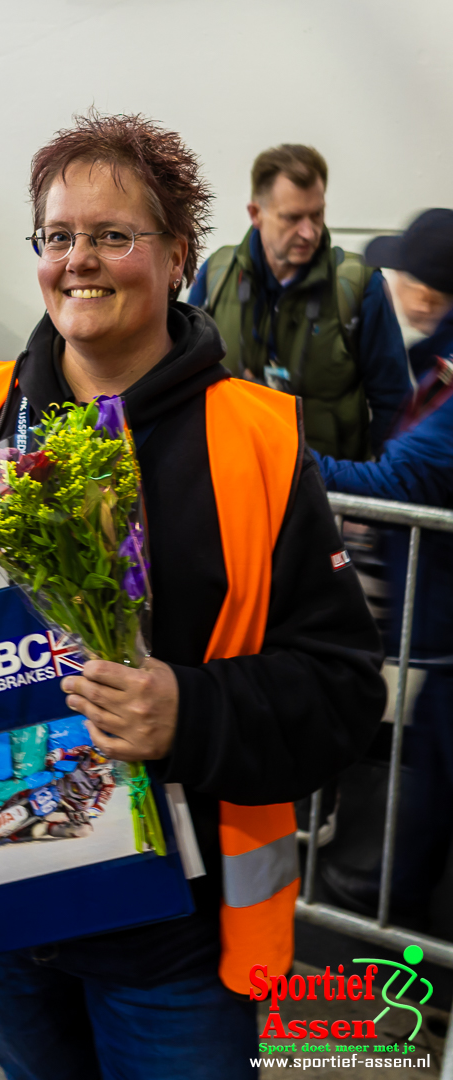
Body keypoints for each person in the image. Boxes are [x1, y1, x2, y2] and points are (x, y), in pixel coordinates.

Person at [0, 112, 385, 1079]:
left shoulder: (256, 444)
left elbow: (342, 690)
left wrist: (186, 710)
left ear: (178, 256)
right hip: (2, 899)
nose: (81, 260)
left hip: (173, 946)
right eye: (59, 236)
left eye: (113, 235)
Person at [312, 209, 453, 917]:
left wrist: (282, 460)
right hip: (436, 607)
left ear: (431, 292)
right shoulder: (438, 356)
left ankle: (402, 898)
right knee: (435, 752)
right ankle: (400, 889)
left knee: (442, 753)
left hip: (446, 611)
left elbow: (405, 478)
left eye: (404, 277)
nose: (393, 285)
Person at [188, 144, 411, 460]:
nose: (309, 232)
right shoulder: (217, 275)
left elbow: (394, 402)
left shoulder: (360, 286)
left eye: (316, 215)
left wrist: (376, 498)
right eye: (292, 218)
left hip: (327, 492)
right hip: (235, 475)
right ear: (256, 214)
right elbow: (187, 384)